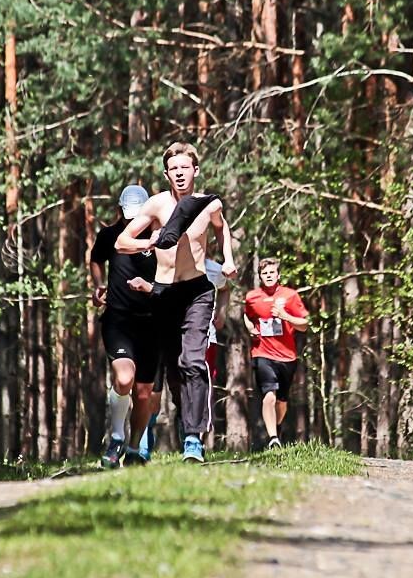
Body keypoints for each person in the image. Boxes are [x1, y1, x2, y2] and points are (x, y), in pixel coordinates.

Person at [116, 142, 236, 463]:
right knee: (171, 371)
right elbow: (122, 241)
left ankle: (194, 439)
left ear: (195, 170)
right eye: (174, 170)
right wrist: (149, 241)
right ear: (166, 174)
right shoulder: (156, 206)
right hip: (164, 293)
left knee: (193, 362)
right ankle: (179, 425)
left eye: (185, 168)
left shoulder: (208, 205)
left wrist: (228, 259)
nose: (180, 174)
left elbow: (222, 231)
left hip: (197, 291)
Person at [89, 184, 159, 468]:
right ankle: (116, 437)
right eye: (127, 214)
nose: (131, 221)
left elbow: (173, 275)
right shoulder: (109, 235)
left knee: (143, 393)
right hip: (118, 319)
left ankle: (133, 449)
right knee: (124, 379)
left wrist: (151, 288)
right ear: (119, 210)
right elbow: (96, 259)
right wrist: (98, 285)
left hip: (152, 323)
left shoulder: (158, 238)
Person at [243, 257, 309, 449]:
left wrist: (285, 316)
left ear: (278, 275)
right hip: (262, 353)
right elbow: (247, 315)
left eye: (272, 273)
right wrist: (250, 328)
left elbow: (304, 325)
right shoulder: (252, 297)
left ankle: (277, 426)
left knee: (281, 401)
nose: (269, 276)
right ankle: (273, 439)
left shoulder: (290, 296)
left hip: (287, 356)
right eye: (265, 273)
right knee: (269, 395)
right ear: (260, 277)